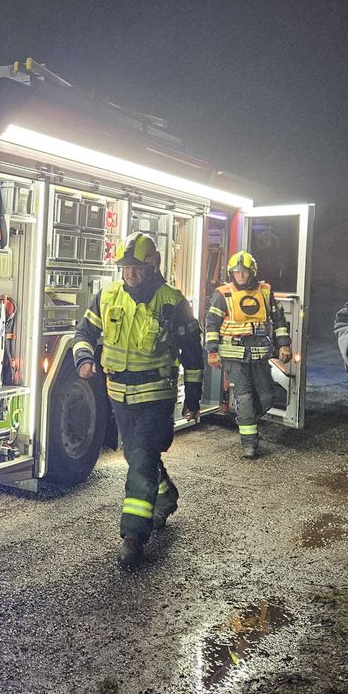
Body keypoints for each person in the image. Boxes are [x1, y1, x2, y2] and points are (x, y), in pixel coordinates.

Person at [73, 232, 204, 570]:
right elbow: (83, 333)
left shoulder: (173, 302)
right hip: (119, 396)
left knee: (142, 461)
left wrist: (193, 396)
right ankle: (166, 496)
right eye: (125, 268)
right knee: (137, 458)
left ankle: (133, 537)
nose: (128, 274)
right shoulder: (108, 296)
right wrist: (84, 360)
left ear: (152, 266)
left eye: (135, 268)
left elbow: (192, 354)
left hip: (156, 397)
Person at [204, 251, 292, 458]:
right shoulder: (223, 294)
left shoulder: (264, 292)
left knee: (267, 397)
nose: (240, 276)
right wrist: (212, 351)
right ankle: (249, 443)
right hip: (233, 354)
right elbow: (211, 324)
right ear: (231, 274)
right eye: (236, 272)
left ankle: (246, 417)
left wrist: (284, 345)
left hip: (260, 354)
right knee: (244, 397)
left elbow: (279, 321)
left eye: (244, 272)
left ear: (252, 272)